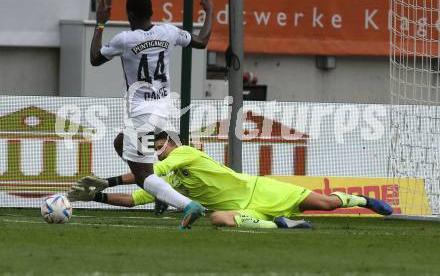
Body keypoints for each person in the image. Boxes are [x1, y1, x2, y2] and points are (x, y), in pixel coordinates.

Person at [69, 131, 393, 230]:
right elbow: (137, 196)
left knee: (325, 203)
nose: (155, 150)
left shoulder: (185, 153)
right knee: (218, 218)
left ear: (171, 143)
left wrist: (106, 180)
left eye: (158, 144)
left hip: (261, 189)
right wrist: (94, 197)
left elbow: (146, 175)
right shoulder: (173, 183)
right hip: (243, 209)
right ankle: (280, 225)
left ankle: (366, 202)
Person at [89, 0, 213, 229]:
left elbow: (95, 58)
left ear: (130, 15)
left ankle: (186, 204)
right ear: (152, 13)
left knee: (144, 176)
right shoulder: (169, 32)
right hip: (162, 110)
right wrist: (210, 12)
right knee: (120, 144)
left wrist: (101, 23)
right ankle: (161, 193)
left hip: (142, 113)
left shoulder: (125, 39)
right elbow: (202, 41)